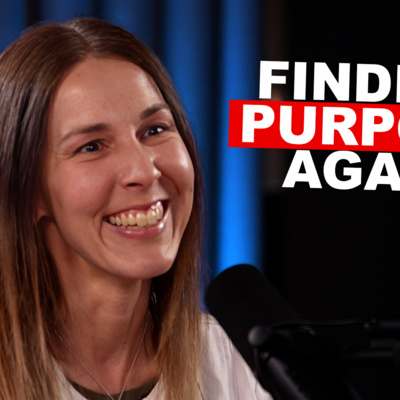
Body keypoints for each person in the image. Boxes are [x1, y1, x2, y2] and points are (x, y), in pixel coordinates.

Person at [0, 18, 272, 400]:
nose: (144, 171)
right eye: (91, 146)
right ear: (26, 190)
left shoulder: (236, 363)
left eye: (155, 130)